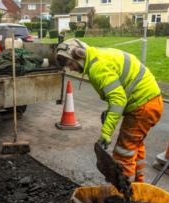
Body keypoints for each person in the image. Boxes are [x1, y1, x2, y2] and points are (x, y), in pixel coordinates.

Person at [56, 39, 163, 183]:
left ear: (79, 55)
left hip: (143, 106)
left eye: (70, 63)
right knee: (134, 145)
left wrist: (106, 133)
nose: (71, 69)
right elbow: (118, 94)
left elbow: (118, 100)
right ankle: (139, 184)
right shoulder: (98, 57)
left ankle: (124, 195)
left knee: (123, 153)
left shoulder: (97, 67)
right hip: (150, 102)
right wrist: (109, 111)